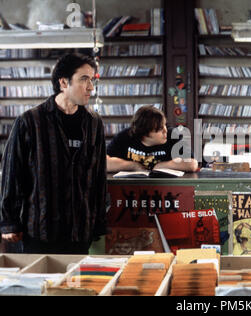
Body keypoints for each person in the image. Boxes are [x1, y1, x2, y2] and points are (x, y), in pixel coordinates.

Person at [0, 53, 108, 254]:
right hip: (40, 230)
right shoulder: (29, 121)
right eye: (84, 79)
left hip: (80, 230)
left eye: (92, 80)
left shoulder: (94, 123)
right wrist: (9, 221)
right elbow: (12, 174)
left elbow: (99, 177)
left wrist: (99, 221)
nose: (91, 87)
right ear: (63, 82)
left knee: (76, 285)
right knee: (39, 285)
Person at [106, 105, 198, 172]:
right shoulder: (125, 136)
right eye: (160, 129)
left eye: (164, 125)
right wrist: (133, 166)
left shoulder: (173, 135)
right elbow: (105, 163)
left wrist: (161, 166)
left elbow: (193, 164)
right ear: (145, 132)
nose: (165, 131)